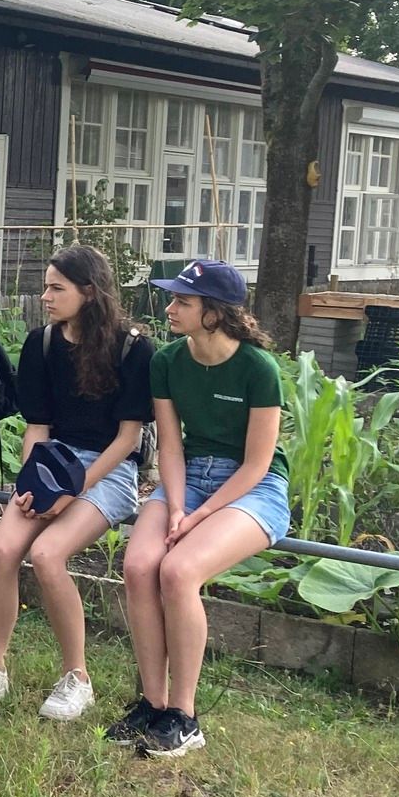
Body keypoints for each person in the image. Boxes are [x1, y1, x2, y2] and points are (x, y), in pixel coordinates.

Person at [0, 245, 151, 720]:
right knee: (4, 551)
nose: (44, 296)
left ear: (89, 293)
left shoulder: (132, 347)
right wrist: (33, 484)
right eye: (45, 286)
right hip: (53, 459)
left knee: (47, 556)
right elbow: (37, 426)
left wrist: (74, 488)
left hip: (110, 468)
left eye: (56, 288)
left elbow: (128, 438)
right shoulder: (41, 343)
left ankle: (77, 677)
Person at [118, 258, 289, 759]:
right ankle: (152, 704)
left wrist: (198, 516)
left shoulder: (259, 368)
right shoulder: (167, 361)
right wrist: (175, 505)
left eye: (182, 302)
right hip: (187, 478)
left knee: (178, 571)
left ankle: (184, 717)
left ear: (213, 313)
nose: (170, 308)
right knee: (137, 565)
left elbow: (257, 465)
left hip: (253, 488)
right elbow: (169, 446)